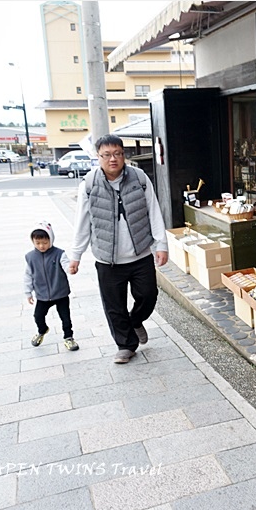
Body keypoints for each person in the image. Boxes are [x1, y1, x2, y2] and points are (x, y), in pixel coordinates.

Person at [68, 134, 168, 364]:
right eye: (107, 155)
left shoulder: (140, 178)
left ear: (124, 155)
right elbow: (82, 221)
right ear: (98, 156)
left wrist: (161, 244)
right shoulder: (89, 184)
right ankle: (126, 345)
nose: (113, 159)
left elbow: (154, 211)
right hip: (107, 259)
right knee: (114, 306)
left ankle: (135, 321)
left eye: (117, 154)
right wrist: (76, 255)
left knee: (148, 295)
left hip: (140, 253)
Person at [24, 221, 79, 351]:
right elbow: (28, 275)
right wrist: (28, 292)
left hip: (60, 293)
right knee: (38, 316)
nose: (41, 246)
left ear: (51, 239)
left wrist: (70, 269)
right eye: (38, 243)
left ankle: (68, 337)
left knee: (65, 317)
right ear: (33, 241)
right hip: (42, 295)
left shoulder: (59, 254)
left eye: (45, 242)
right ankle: (42, 330)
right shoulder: (30, 257)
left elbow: (66, 264)